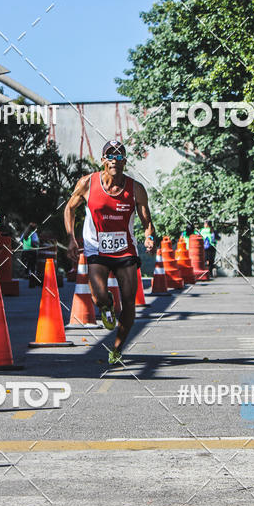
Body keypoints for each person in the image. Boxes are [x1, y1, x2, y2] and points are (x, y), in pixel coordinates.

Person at [64, 140, 156, 365]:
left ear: (124, 161)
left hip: (125, 250)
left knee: (129, 302)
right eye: (110, 156)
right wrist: (71, 239)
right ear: (103, 160)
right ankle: (106, 305)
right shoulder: (87, 183)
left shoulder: (136, 189)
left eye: (119, 156)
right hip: (96, 247)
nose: (115, 160)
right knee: (98, 296)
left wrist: (149, 236)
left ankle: (116, 348)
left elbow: (147, 220)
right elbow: (69, 208)